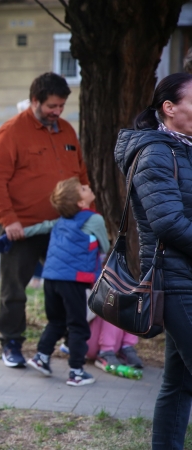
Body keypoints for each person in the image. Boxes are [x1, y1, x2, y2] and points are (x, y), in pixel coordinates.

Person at [0, 72, 90, 369]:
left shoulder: (68, 131)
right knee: (14, 290)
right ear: (35, 101)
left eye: (61, 106)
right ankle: (11, 343)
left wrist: (86, 213)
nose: (57, 112)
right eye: (51, 106)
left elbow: (81, 176)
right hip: (23, 228)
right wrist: (9, 220)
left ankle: (69, 340)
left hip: (66, 227)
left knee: (68, 286)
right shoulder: (11, 132)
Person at [115, 72, 192, 449]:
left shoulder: (185, 148)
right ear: (169, 108)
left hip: (188, 278)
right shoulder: (156, 151)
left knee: (178, 384)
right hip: (174, 282)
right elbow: (169, 223)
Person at [26, 177, 107, 386]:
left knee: (56, 321)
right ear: (81, 203)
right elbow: (105, 247)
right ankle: (76, 372)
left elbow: (40, 227)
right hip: (73, 280)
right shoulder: (94, 220)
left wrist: (14, 234)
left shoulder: (60, 221)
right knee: (78, 325)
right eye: (83, 188)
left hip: (51, 278)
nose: (88, 186)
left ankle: (41, 357)